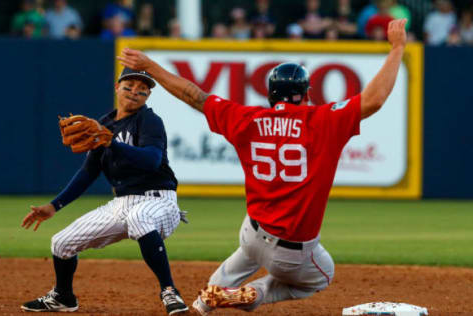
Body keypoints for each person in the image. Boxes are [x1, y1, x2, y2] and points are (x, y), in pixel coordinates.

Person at [117, 18, 407, 315]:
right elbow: (374, 99)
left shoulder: (246, 119)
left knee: (248, 252)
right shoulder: (323, 120)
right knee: (321, 277)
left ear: (270, 95)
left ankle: (205, 302)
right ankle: (253, 294)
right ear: (306, 94)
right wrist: (397, 48)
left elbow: (193, 95)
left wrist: (149, 65)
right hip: (292, 252)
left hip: (253, 232)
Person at [20, 68, 189, 315]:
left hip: (159, 201)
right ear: (117, 87)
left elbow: (152, 160)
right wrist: (54, 206)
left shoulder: (149, 120)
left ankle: (170, 291)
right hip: (121, 203)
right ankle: (63, 297)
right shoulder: (104, 124)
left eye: (142, 87)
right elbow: (88, 172)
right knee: (61, 243)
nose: (135, 91)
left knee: (139, 218)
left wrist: (112, 143)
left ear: (148, 95)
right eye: (129, 84)